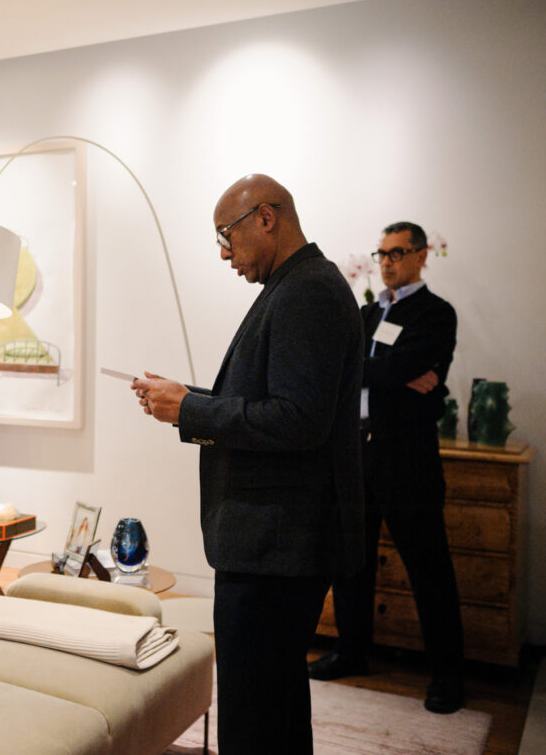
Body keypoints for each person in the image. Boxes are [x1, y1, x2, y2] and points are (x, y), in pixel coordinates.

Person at [132, 175, 363, 755]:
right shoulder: (299, 285)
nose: (223, 252)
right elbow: (272, 401)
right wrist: (186, 399)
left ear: (265, 217)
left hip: (277, 544)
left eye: (226, 235)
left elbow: (298, 419)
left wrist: (191, 410)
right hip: (276, 543)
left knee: (253, 715)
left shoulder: (307, 290)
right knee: (274, 705)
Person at [307, 221, 465, 713]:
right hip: (357, 453)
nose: (387, 262)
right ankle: (351, 651)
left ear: (421, 256)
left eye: (397, 253)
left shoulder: (436, 314)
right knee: (351, 562)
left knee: (429, 569)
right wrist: (395, 375)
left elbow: (392, 366)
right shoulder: (368, 312)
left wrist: (383, 373)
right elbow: (340, 365)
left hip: (407, 458)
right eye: (382, 254)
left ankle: (447, 676)